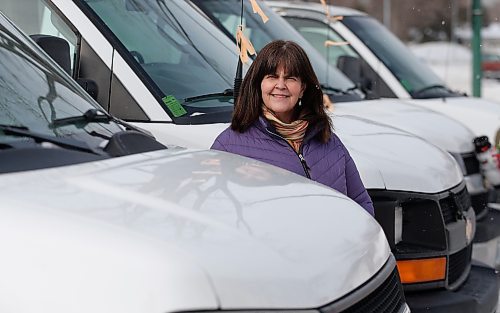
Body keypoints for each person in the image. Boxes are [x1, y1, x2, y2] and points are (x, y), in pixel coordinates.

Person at [211, 40, 374, 215]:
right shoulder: (228, 145)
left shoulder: (329, 140)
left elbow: (361, 204)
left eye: (290, 78)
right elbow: (215, 213)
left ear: (303, 88)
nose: (280, 85)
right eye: (272, 77)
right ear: (259, 84)